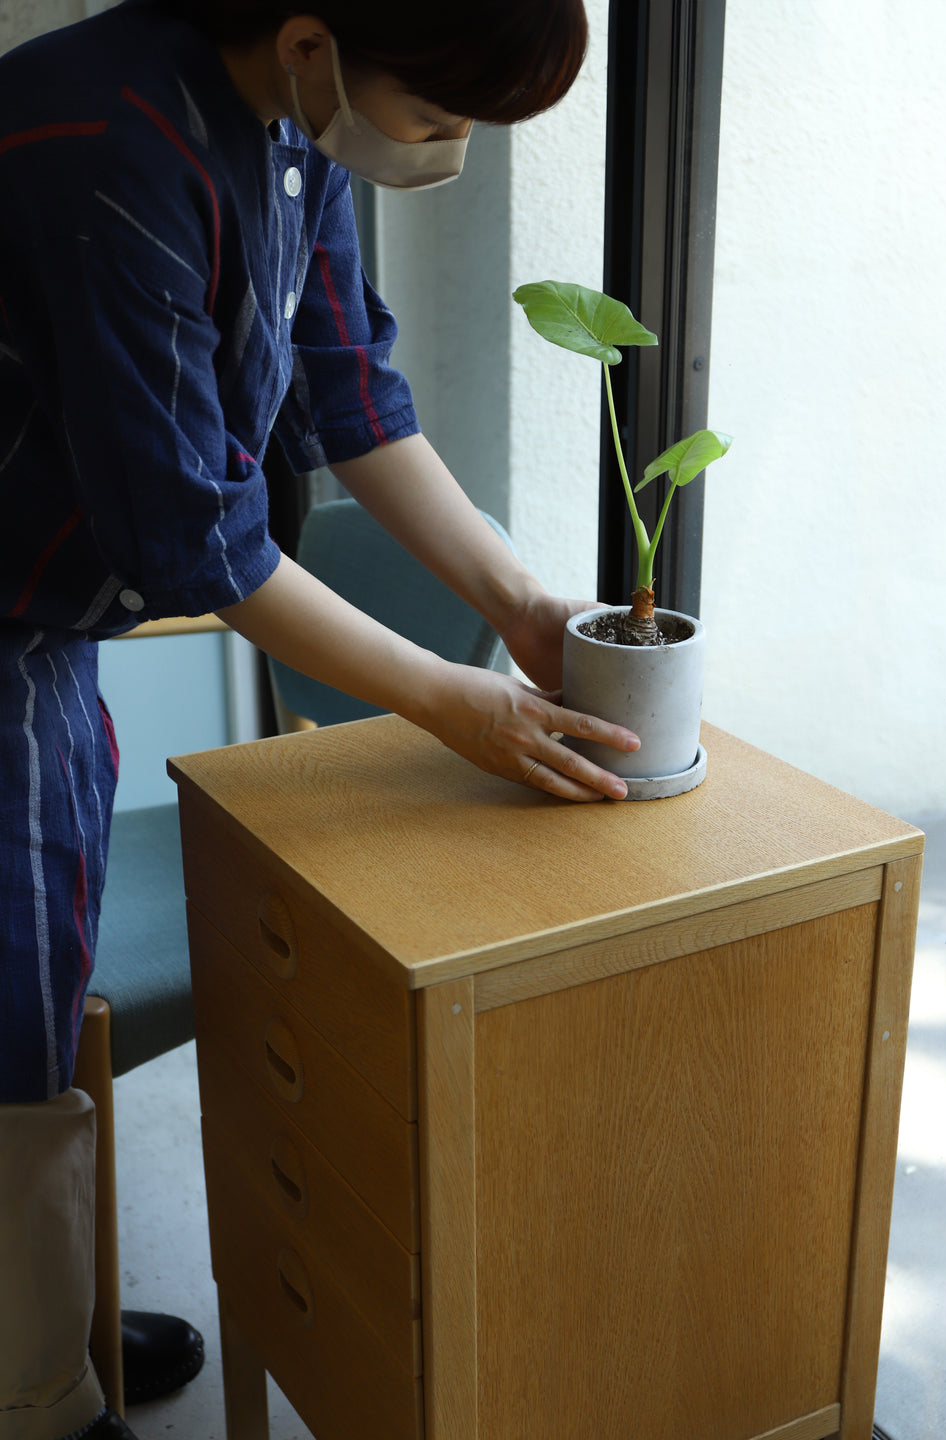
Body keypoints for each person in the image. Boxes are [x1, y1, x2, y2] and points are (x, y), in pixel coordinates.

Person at [0, 1, 640, 1436]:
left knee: (38, 963)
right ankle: (34, 1392)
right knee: (5, 980)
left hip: (46, 612)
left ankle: (40, 1319)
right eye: (440, 119)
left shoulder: (296, 135)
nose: (451, 153)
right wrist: (447, 703)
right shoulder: (111, 137)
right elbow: (194, 539)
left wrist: (525, 606)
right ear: (311, 40)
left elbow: (359, 403)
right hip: (14, 606)